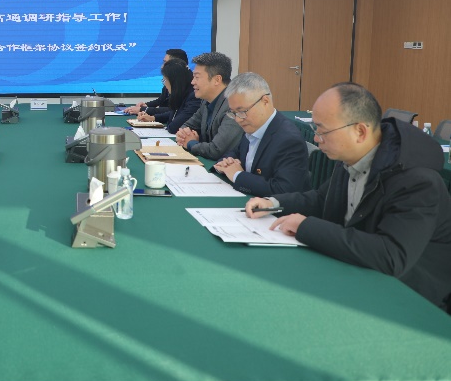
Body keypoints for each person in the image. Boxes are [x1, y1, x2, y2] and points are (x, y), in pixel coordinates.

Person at [245, 83, 451, 311]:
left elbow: (390, 256)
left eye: (323, 131)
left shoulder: (418, 182)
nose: (317, 139)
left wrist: (306, 226)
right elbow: (322, 199)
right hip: (361, 276)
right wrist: (273, 203)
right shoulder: (352, 157)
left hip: (412, 300)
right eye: (315, 129)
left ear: (360, 132)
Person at [213, 72, 309, 196]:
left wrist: (238, 175)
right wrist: (226, 163)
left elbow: (284, 190)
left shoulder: (289, 140)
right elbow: (234, 153)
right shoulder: (252, 126)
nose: (237, 119)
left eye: (242, 111)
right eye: (233, 113)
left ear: (265, 101)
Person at [175, 51, 243, 160]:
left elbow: (216, 150)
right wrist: (183, 135)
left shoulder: (234, 105)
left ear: (217, 80)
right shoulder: (206, 101)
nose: (192, 82)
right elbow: (187, 126)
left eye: (197, 77)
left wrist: (191, 143)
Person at [135, 59, 200, 133]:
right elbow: (177, 113)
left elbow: (174, 127)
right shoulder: (184, 93)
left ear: (174, 81)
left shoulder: (194, 97)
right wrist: (152, 118)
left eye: (165, 80)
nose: (165, 84)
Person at [124, 48, 188, 115]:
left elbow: (175, 110)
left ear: (176, 65)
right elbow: (161, 100)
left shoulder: (186, 84)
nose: (162, 66)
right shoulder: (170, 80)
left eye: (165, 63)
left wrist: (143, 110)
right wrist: (145, 105)